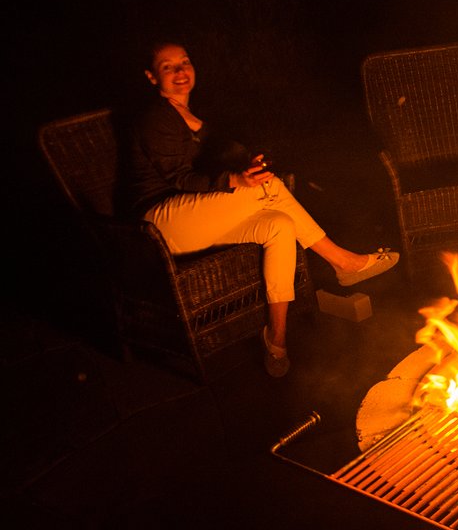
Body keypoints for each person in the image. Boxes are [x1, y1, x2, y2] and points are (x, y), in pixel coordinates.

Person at [127, 41, 399, 378]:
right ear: (152, 77)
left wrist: (247, 168)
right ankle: (342, 261)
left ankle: (277, 337)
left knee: (280, 224)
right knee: (270, 187)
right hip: (157, 223)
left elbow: (215, 163)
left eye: (184, 62)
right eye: (168, 67)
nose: (180, 72)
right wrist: (236, 179)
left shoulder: (194, 115)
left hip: (197, 217)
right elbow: (179, 178)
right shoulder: (156, 117)